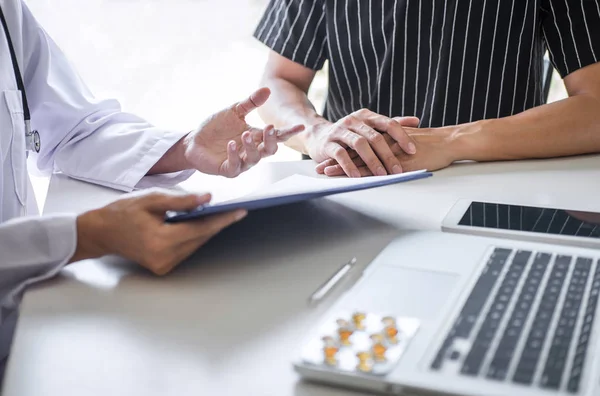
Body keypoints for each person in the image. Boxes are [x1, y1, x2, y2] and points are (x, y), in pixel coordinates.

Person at [0, 0, 303, 368]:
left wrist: (185, 148)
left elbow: (71, 128)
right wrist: (87, 235)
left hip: (23, 330)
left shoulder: (8, 11)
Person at [253, 0, 600, 178]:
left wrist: (450, 141)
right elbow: (279, 81)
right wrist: (317, 133)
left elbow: (595, 106)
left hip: (489, 196)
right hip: (348, 188)